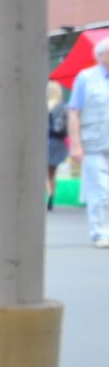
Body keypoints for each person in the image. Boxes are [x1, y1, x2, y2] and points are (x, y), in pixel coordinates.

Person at [67, 38, 109, 247]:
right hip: (93, 143)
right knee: (100, 190)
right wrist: (76, 145)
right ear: (101, 56)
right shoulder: (86, 78)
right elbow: (74, 111)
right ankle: (99, 232)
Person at [48, 80, 72, 211]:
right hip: (58, 142)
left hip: (46, 140)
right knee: (53, 172)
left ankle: (48, 194)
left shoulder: (43, 106)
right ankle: (52, 195)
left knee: (45, 172)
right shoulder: (63, 106)